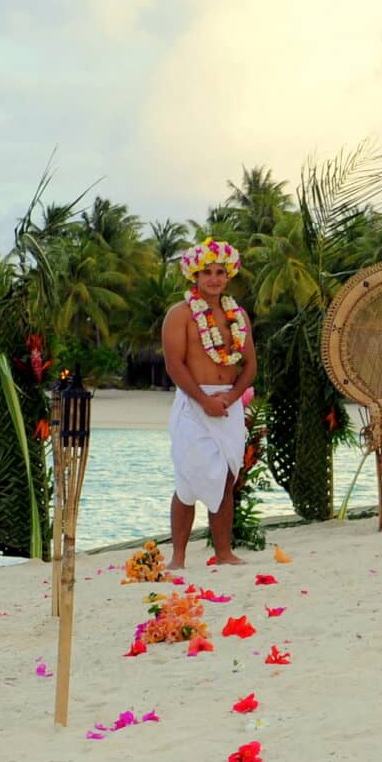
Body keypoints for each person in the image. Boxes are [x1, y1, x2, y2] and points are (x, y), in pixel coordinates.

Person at [162, 239, 258, 570]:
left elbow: (249, 366)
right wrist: (203, 400)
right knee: (187, 481)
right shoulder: (180, 314)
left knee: (227, 479)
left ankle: (224, 553)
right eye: (207, 273)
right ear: (195, 276)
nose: (214, 279)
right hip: (193, 403)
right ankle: (178, 557)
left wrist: (230, 398)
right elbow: (175, 365)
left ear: (228, 275)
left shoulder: (238, 315)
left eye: (220, 272)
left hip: (228, 405)